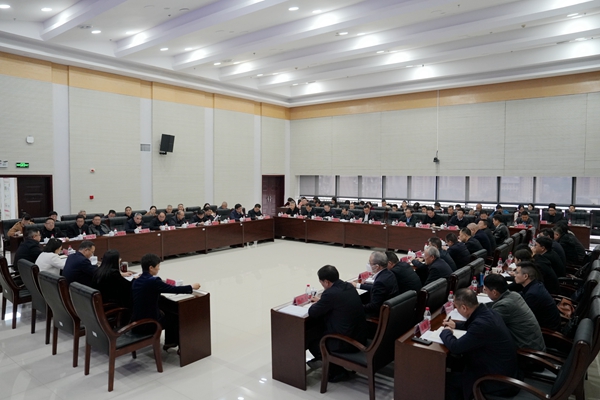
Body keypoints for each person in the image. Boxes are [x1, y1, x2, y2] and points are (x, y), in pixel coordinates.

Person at [441, 289, 519, 400]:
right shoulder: (489, 312)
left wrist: (445, 332)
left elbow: (456, 347)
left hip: (496, 381)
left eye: (457, 307)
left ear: (464, 308)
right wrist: (456, 326)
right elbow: (473, 326)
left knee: (445, 380)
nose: (457, 310)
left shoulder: (482, 325)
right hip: (501, 368)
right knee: (456, 363)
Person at [306, 265, 368, 382]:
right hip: (360, 336)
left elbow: (313, 312)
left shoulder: (330, 294)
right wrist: (323, 301)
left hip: (347, 342)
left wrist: (320, 302)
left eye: (322, 283)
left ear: (326, 282)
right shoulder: (348, 286)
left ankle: (337, 372)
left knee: (314, 344)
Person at [132, 253, 200, 349]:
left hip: (136, 321)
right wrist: (191, 287)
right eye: (158, 266)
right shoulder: (153, 281)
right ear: (151, 268)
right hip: (148, 324)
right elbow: (173, 289)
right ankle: (175, 344)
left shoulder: (136, 281)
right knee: (175, 317)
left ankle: (170, 342)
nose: (159, 269)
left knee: (167, 310)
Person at [483, 274, 545, 351]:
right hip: (532, 343)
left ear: (494, 292)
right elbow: (493, 305)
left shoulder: (504, 306)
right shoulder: (514, 295)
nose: (485, 291)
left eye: (486, 290)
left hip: (526, 350)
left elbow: (486, 325)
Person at [513, 262, 561, 330]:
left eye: (517, 273)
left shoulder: (532, 294)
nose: (514, 275)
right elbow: (521, 294)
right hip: (546, 322)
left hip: (547, 329)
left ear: (525, 276)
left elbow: (524, 317)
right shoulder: (536, 284)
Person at [353, 251, 399, 316]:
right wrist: (358, 285)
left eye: (370, 263)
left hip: (379, 314)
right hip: (391, 308)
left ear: (377, 266)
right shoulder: (390, 274)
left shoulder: (380, 282)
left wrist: (355, 307)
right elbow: (376, 287)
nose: (368, 265)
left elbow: (373, 307)